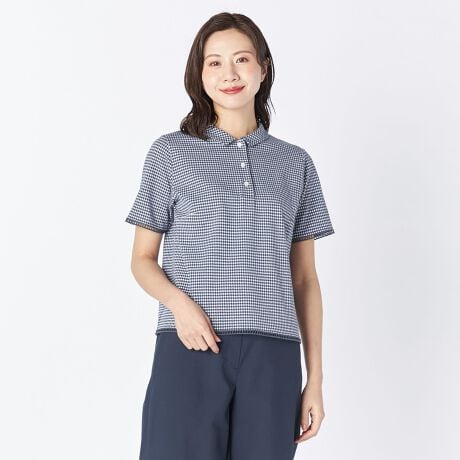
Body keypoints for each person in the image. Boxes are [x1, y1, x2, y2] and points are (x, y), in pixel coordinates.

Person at [125, 12, 335, 460]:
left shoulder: (295, 163)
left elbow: (305, 279)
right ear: (200, 75)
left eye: (241, 59)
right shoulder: (170, 153)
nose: (229, 74)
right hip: (190, 345)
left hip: (274, 354)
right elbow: (142, 259)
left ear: (263, 68)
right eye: (215, 63)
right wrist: (180, 307)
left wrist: (314, 379)